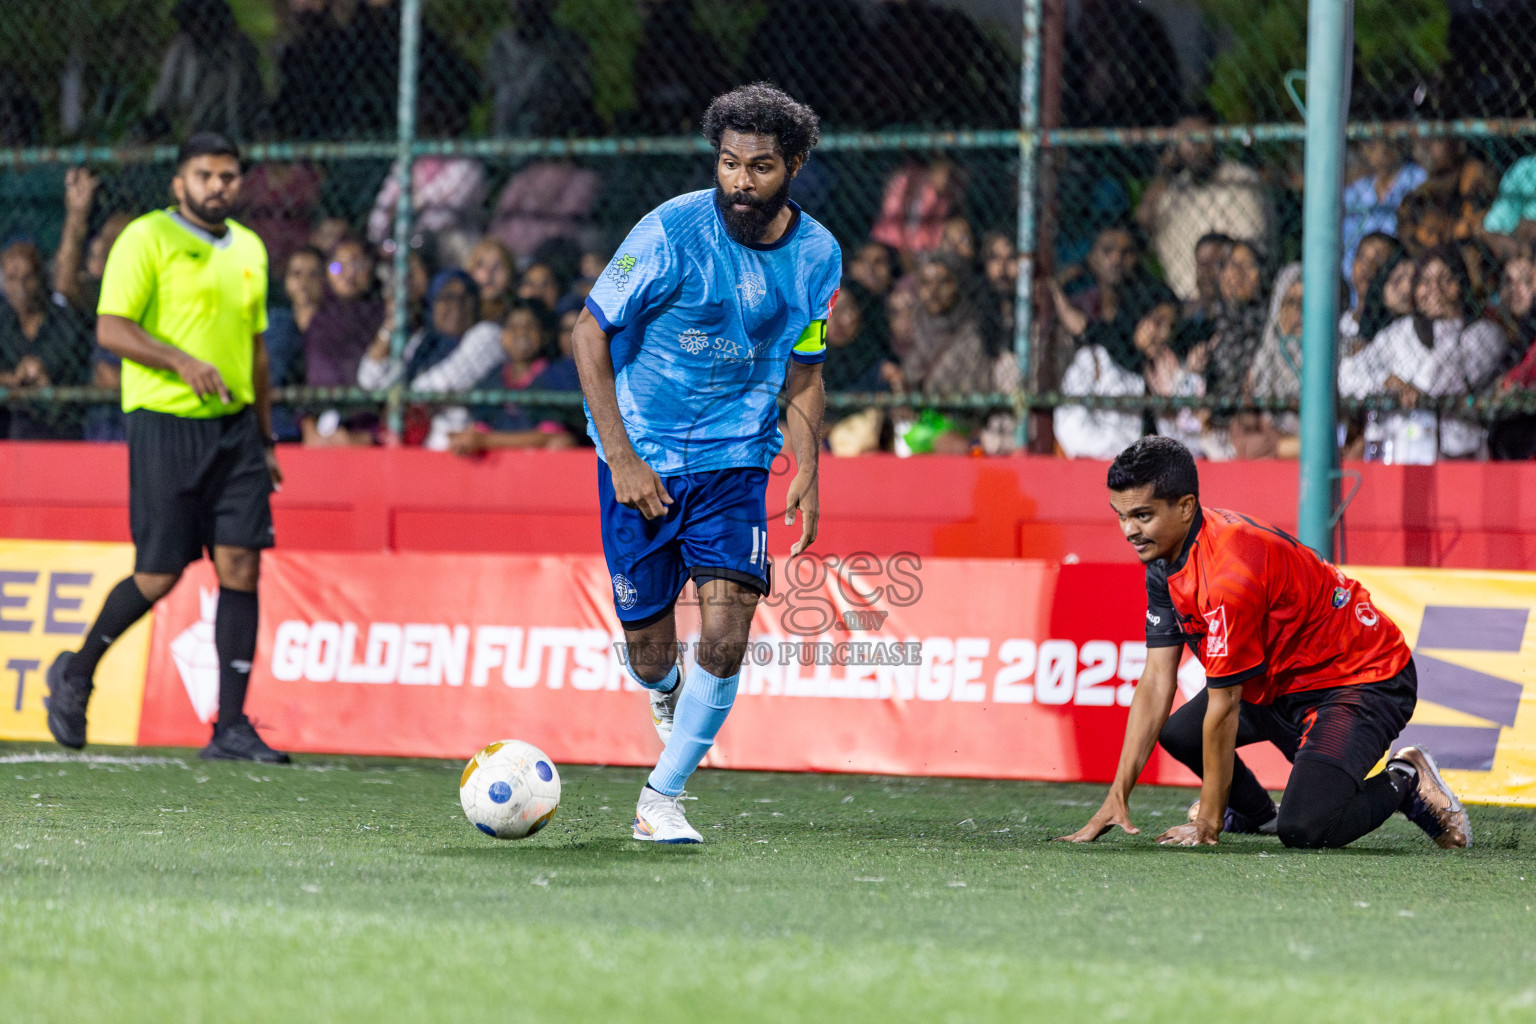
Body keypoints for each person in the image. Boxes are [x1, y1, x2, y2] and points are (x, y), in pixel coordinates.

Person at [572, 84, 838, 843]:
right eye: (728, 163)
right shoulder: (668, 231)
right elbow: (588, 334)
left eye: (760, 167)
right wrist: (621, 457)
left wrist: (808, 468)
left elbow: (806, 370)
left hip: (735, 463)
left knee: (728, 629)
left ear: (793, 165)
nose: (740, 182)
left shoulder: (818, 254)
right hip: (642, 463)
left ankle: (662, 797)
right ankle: (664, 688)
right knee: (649, 651)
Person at [1060, 436, 1470, 850]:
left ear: (1185, 507)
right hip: (1282, 682)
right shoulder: (1166, 557)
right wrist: (1117, 795)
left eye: (1142, 516)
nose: (1129, 530)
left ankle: (1407, 777)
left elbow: (1225, 706)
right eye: (1121, 515)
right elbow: (1155, 680)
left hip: (1360, 680)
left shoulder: (1227, 573)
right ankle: (1256, 815)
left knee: (1306, 828)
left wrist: (1208, 821)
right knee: (1181, 734)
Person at [43, 133, 287, 763]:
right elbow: (111, 328)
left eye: (228, 176)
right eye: (205, 174)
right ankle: (76, 672)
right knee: (158, 573)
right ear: (179, 182)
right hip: (165, 422)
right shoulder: (145, 237)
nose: (217, 186)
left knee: (241, 564)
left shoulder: (250, 248)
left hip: (237, 429)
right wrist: (181, 362)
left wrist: (266, 437)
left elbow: (257, 350)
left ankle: (230, 726)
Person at [1339, 245, 1508, 460]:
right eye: (1425, 281)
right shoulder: (1401, 331)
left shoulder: (1484, 333)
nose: (1434, 289)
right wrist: (1388, 381)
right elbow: (1348, 374)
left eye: (1446, 279)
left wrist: (1450, 321)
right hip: (1400, 453)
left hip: (1457, 456)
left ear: (1461, 285)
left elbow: (1439, 381)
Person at [1135, 112, 1272, 303]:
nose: (1194, 146)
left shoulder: (1242, 180)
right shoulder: (1173, 189)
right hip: (1182, 302)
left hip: (1232, 297)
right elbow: (1142, 222)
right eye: (1185, 139)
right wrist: (1164, 169)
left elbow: (1250, 249)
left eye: (1200, 138)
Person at [0, 241, 93, 439]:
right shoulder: (4, 323)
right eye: (12, 279)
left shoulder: (66, 321)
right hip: (13, 424)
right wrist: (13, 378)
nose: (21, 288)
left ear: (41, 278)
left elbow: (75, 371)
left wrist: (42, 372)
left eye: (28, 278)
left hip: (64, 423)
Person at [486, 0, 598, 138]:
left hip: (550, 128)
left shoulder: (567, 42)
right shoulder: (503, 43)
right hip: (509, 130)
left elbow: (582, 93)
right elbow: (495, 88)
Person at [1341, 140, 1425, 284]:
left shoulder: (1419, 180)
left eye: (1382, 139)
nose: (1377, 147)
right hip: (1354, 285)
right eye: (1369, 142)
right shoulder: (1356, 191)